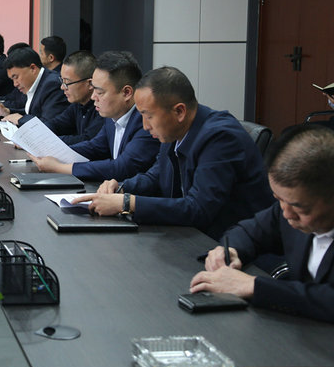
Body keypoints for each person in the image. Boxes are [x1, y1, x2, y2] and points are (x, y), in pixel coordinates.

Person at [83, 66, 273, 240]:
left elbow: (199, 209)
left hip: (231, 245)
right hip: (191, 236)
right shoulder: (174, 130)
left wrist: (127, 203)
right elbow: (155, 176)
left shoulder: (220, 138)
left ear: (179, 111)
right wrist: (121, 188)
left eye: (149, 116)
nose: (145, 126)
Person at [189, 124, 334, 323]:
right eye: (278, 199)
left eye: (300, 207)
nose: (286, 213)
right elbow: (248, 231)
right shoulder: (287, 207)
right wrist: (230, 250)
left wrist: (254, 286)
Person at [29, 51, 159, 182]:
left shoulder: (146, 122)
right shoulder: (112, 117)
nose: (93, 97)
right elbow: (94, 147)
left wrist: (60, 168)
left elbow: (122, 167)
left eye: (100, 92)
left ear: (126, 92)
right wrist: (51, 152)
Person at [0, 47, 68, 126]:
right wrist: (7, 112)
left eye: (16, 77)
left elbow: (48, 124)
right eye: (12, 79)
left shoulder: (52, 84)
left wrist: (20, 119)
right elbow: (34, 113)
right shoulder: (39, 81)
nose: (15, 84)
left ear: (33, 68)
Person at [43, 50, 104, 145]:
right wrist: (37, 136)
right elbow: (56, 124)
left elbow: (87, 140)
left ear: (90, 83)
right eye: (62, 81)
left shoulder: (102, 108)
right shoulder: (77, 104)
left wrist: (47, 141)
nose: (62, 87)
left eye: (67, 82)